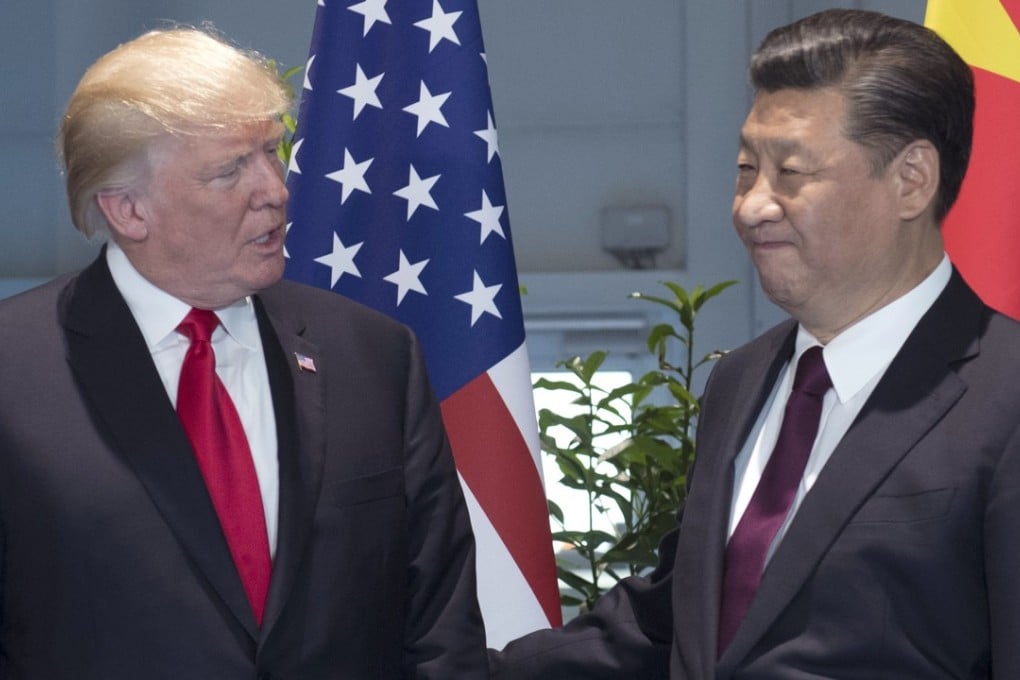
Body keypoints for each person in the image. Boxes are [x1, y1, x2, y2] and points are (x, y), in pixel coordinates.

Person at [490, 8, 1020, 679]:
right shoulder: (741, 381)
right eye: (746, 168)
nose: (751, 205)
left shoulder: (1006, 399)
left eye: (790, 173)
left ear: (911, 179)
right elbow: (671, 625)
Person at [0, 27, 487, 678]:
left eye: (270, 151)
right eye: (231, 169)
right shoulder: (13, 372)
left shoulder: (375, 357)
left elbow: (439, 635)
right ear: (128, 210)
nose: (276, 190)